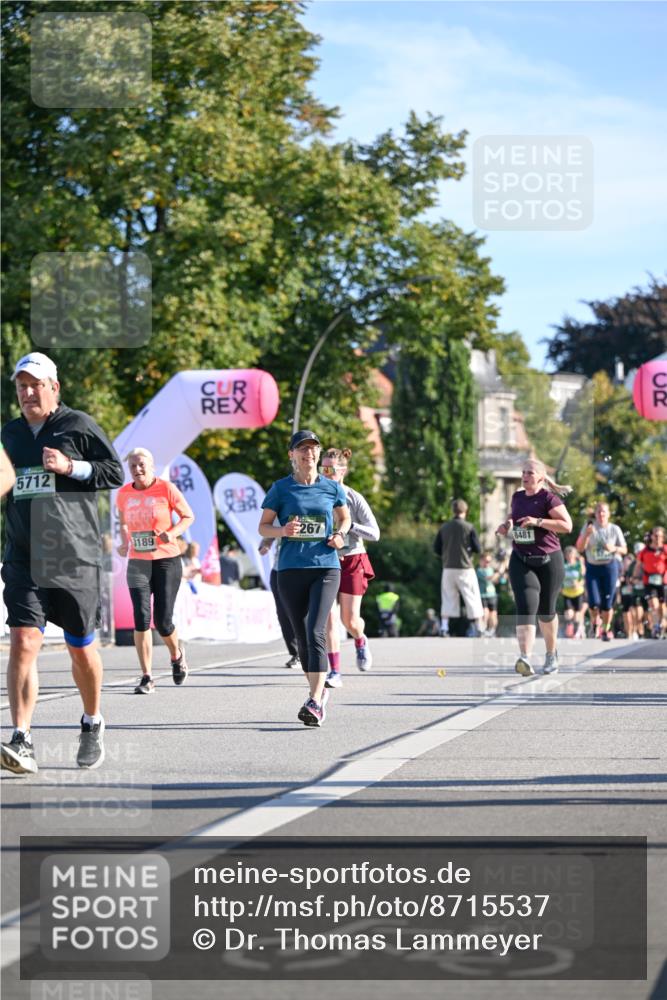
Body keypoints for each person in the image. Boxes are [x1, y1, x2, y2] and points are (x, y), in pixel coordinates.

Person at [1, 352, 123, 774]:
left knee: (81, 649)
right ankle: (22, 738)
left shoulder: (78, 425)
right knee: (23, 642)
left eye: (36, 384)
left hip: (74, 559)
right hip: (23, 557)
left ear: (55, 387)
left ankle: (92, 721)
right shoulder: (10, 435)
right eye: (22, 386)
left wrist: (71, 466)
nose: (28, 392)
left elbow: (115, 473)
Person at [259, 430, 351, 727]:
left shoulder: (331, 487)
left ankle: (314, 699)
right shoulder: (281, 489)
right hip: (290, 569)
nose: (308, 454)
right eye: (302, 449)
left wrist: (340, 535)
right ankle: (319, 694)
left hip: (325, 567)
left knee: (315, 630)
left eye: (313, 449)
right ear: (292, 455)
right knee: (301, 636)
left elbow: (344, 518)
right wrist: (282, 531)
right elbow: (264, 527)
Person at [116, 447, 194, 693]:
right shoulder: (124, 494)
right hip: (138, 561)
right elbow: (123, 522)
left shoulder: (166, 488)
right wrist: (124, 542)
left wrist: (170, 534)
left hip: (166, 560)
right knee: (140, 618)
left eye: (141, 465)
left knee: (163, 621)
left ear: (151, 466)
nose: (137, 470)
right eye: (133, 467)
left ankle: (176, 654)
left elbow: (187, 517)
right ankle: (146, 676)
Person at [496, 458, 573, 676]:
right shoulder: (518, 496)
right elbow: (514, 515)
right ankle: (525, 658)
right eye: (523, 472)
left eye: (530, 472)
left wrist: (539, 522)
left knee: (546, 610)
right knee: (526, 606)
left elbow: (567, 525)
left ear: (540, 476)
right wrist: (507, 525)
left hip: (549, 560)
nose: (525, 476)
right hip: (521, 557)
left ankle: (551, 654)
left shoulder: (549, 498)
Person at [319, 447, 380, 688]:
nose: (325, 473)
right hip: (325, 560)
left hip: (353, 558)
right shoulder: (316, 495)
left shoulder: (354, 497)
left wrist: (348, 525)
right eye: (322, 469)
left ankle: (360, 639)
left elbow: (375, 533)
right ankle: (334, 672)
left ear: (342, 471)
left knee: (350, 620)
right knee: (329, 619)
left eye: (330, 470)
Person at [576, 502, 627, 641]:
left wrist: (614, 548)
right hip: (592, 567)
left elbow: (624, 549)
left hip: (610, 567)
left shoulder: (614, 529)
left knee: (607, 603)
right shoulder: (589, 527)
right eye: (598, 511)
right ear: (595, 514)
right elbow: (580, 548)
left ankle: (606, 629)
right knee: (593, 602)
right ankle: (594, 622)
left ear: (609, 514)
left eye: (604, 511)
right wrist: (586, 535)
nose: (601, 514)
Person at [433, 499, 485, 638]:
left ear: (453, 511)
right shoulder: (469, 527)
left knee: (448, 596)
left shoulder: (444, 527)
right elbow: (478, 548)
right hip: (465, 567)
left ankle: (444, 628)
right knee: (472, 597)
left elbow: (436, 548)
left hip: (448, 567)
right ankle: (479, 627)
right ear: (465, 511)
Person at [259, 537, 301, 669]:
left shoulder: (311, 516)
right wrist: (265, 544)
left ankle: (306, 651)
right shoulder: (277, 516)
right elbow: (267, 534)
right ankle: (296, 653)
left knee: (300, 611)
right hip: (279, 570)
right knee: (283, 614)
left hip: (303, 568)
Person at [634, 526, 667, 639]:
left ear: (663, 537)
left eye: (659, 536)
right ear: (652, 536)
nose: (657, 538)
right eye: (655, 535)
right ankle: (656, 626)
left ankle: (662, 623)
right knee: (653, 605)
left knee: (662, 607)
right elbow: (638, 565)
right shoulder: (645, 551)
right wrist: (634, 576)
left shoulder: (665, 549)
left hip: (663, 582)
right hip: (649, 581)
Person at [560, 545, 587, 639]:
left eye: (571, 554)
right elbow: (560, 577)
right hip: (567, 592)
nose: (569, 556)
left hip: (578, 592)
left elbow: (583, 576)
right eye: (567, 554)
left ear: (575, 555)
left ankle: (578, 629)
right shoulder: (564, 565)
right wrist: (560, 587)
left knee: (577, 614)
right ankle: (570, 626)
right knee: (568, 613)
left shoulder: (578, 565)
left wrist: (579, 584)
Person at [476, 551, 501, 637]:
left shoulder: (491, 570)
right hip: (483, 595)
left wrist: (501, 576)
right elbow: (488, 579)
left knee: (493, 614)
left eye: (489, 561)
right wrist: (498, 573)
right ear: (481, 560)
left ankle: (492, 630)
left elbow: (497, 581)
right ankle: (483, 629)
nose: (487, 563)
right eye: (486, 561)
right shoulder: (479, 570)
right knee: (485, 612)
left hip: (492, 595)